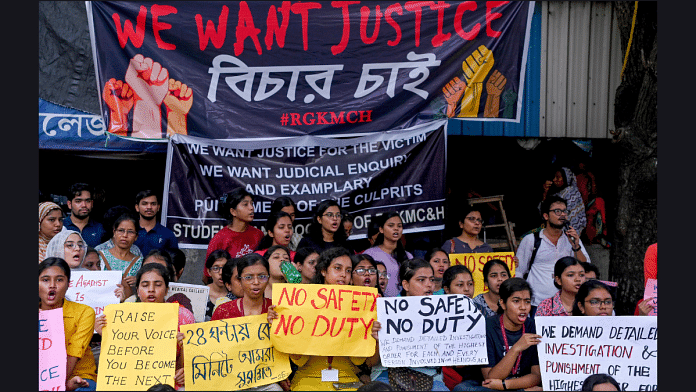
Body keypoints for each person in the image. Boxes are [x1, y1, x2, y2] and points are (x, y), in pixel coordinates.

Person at [268, 247, 372, 391]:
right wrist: (280, 323)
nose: (343, 275)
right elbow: (299, 359)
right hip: (308, 380)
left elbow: (358, 360)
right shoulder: (303, 303)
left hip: (347, 380)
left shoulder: (359, 307)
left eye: (348, 270)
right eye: (337, 268)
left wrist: (372, 333)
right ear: (323, 271)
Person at [96, 263, 195, 389]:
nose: (151, 289)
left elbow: (191, 364)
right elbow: (118, 360)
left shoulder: (183, 316)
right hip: (128, 380)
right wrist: (105, 334)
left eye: (158, 285)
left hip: (169, 383)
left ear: (166, 290)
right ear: (137, 290)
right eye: (145, 285)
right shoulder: (122, 316)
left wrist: (183, 369)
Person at [368, 258, 449, 391]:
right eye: (421, 280)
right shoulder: (386, 311)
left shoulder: (444, 311)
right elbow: (371, 362)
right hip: (387, 373)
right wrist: (378, 341)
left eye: (432, 279)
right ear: (405, 285)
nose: (429, 285)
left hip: (430, 376)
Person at [454, 278, 541, 391]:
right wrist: (516, 349)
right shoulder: (487, 327)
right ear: (503, 303)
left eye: (527, 301)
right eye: (516, 301)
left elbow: (536, 376)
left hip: (516, 383)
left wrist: (506, 385)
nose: (523, 307)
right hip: (486, 385)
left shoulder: (534, 327)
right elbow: (491, 378)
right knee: (462, 389)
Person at [516, 195, 590, 306]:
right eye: (557, 211)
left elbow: (586, 267)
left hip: (566, 304)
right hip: (536, 303)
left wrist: (576, 246)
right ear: (546, 216)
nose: (563, 215)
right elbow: (519, 271)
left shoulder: (571, 239)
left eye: (565, 211)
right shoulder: (531, 240)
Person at [39, 258, 98, 390]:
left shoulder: (84, 312)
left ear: (68, 284)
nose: (52, 285)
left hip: (78, 375)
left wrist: (62, 385)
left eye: (59, 280)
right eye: (45, 280)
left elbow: (74, 353)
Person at [205, 188, 264, 284]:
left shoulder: (258, 234)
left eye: (252, 204)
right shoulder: (220, 238)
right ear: (233, 212)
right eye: (245, 204)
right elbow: (207, 276)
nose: (251, 208)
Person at [362, 212, 413, 297]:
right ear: (381, 229)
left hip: (402, 305)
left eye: (399, 226)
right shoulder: (369, 254)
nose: (396, 229)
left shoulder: (408, 256)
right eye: (391, 225)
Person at [95, 212, 144, 299]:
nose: (125, 235)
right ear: (114, 232)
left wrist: (139, 281)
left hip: (127, 308)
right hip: (100, 304)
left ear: (136, 236)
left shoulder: (139, 262)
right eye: (121, 230)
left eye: (130, 232)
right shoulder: (100, 256)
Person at [540, 166, 587, 237]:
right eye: (554, 177)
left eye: (558, 177)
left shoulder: (571, 193)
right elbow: (543, 211)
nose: (554, 180)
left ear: (565, 179)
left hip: (568, 233)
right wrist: (545, 192)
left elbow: (570, 217)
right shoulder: (556, 193)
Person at [133, 190, 179, 257]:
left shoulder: (168, 234)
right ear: (137, 208)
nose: (149, 207)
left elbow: (173, 261)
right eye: (144, 204)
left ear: (158, 207)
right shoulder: (129, 231)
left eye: (153, 204)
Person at [62, 183, 106, 248]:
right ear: (69, 204)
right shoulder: (61, 227)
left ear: (92, 203)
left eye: (87, 201)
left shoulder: (100, 228)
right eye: (78, 201)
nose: (84, 205)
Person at [205, 249, 231, 321]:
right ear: (209, 271)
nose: (221, 272)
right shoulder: (201, 294)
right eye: (216, 268)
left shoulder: (235, 295)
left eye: (225, 267)